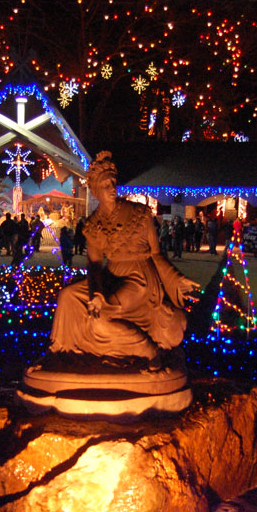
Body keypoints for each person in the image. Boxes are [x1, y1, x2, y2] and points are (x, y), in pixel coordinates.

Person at [49, 151, 199, 361]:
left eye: (113, 183)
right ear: (95, 191)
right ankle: (62, 349)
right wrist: (97, 294)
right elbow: (94, 264)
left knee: (100, 319)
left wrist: (175, 277)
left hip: (139, 278)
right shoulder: (92, 224)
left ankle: (147, 350)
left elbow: (156, 253)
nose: (112, 189)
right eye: (105, 185)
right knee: (68, 296)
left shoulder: (140, 213)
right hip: (112, 275)